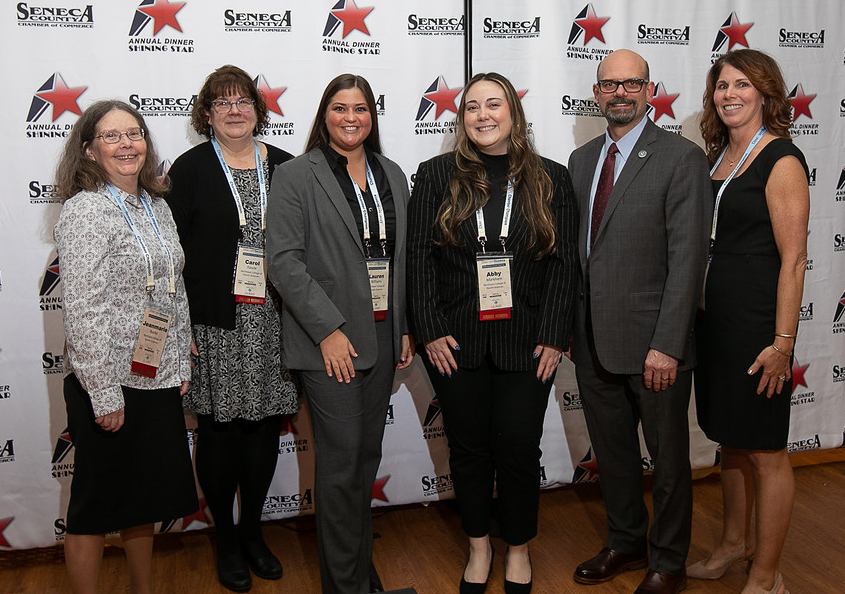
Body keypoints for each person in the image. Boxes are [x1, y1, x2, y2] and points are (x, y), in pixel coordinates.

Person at [407, 72, 579, 594]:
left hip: (529, 343)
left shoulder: (551, 177)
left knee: (520, 447)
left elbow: (565, 264)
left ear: (514, 113)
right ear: (462, 119)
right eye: (473, 106)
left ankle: (519, 548)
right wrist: (430, 329)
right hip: (455, 343)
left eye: (494, 104)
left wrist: (554, 334)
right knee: (468, 448)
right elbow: (418, 259)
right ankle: (480, 545)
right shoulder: (436, 174)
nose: (483, 115)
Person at [568, 50, 712, 594]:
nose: (620, 93)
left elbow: (689, 258)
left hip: (656, 345)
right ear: (597, 92)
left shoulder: (680, 158)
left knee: (669, 460)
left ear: (649, 90)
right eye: (609, 84)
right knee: (614, 455)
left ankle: (669, 560)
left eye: (631, 83)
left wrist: (668, 345)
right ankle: (626, 540)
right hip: (593, 343)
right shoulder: (582, 161)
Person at [265, 73, 413, 594]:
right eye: (339, 108)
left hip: (381, 334)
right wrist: (327, 330)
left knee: (362, 462)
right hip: (331, 346)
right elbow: (283, 262)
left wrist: (404, 326)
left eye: (361, 108)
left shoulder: (391, 173)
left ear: (372, 116)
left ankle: (357, 572)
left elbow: (400, 260)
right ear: (324, 114)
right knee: (341, 465)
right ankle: (345, 586)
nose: (351, 118)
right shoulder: (295, 175)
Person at [164, 65, 300, 592]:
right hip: (216, 323)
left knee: (264, 429)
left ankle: (253, 532)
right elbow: (171, 256)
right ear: (206, 114)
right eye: (222, 103)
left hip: (274, 320)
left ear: (258, 110)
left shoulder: (287, 168)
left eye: (243, 100)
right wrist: (181, 326)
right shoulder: (191, 169)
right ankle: (225, 538)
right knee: (220, 433)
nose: (235, 110)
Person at [54, 100, 198, 594]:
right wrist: (104, 394)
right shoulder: (85, 210)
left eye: (133, 134)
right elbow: (83, 308)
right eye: (111, 136)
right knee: (93, 508)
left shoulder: (156, 206)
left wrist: (179, 358)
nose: (125, 144)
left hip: (156, 376)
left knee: (146, 502)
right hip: (109, 384)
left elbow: (172, 290)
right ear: (90, 151)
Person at [687, 49, 809, 594]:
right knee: (731, 442)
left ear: (765, 93)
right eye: (721, 85)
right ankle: (732, 546)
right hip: (714, 324)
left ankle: (766, 574)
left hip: (758, 326)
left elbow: (794, 259)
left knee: (765, 450)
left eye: (741, 84)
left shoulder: (780, 159)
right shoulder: (718, 158)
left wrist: (783, 341)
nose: (729, 94)